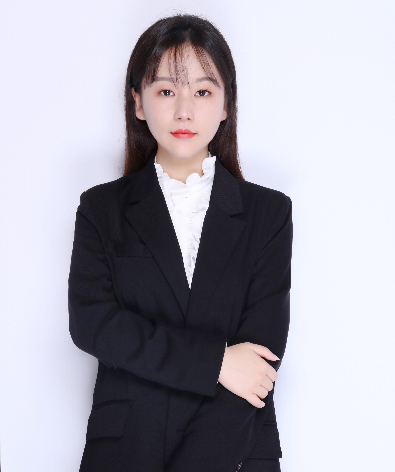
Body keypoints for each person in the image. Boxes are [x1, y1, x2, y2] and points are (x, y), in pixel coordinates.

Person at [68, 13, 292, 472]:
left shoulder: (268, 213)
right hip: (128, 452)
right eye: (167, 91)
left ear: (227, 105)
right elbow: (93, 324)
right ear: (138, 102)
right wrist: (214, 363)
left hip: (235, 453)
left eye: (203, 92)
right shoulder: (101, 209)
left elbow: (259, 361)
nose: (184, 111)